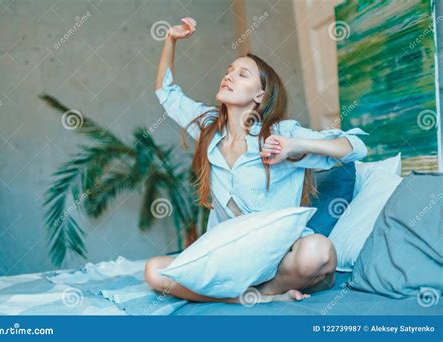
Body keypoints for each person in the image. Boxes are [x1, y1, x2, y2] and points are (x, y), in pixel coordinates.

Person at [145, 17, 368, 303]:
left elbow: (356, 147)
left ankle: (254, 292)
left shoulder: (281, 134)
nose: (229, 76)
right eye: (229, 71)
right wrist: (171, 40)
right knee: (154, 271)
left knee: (318, 251)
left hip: (280, 259)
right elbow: (166, 92)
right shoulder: (208, 126)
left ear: (259, 95)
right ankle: (256, 297)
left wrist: (294, 145)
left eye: (242, 74)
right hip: (230, 259)